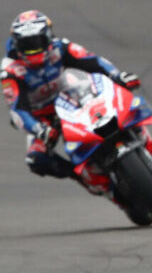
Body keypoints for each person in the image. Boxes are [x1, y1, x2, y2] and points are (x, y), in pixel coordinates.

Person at [1, 10, 141, 180]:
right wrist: (39, 130)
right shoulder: (9, 70)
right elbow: (17, 110)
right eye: (27, 45)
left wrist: (118, 76)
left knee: (117, 101)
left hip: (71, 97)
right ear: (17, 44)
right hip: (44, 118)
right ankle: (83, 176)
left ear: (48, 37)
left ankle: (137, 133)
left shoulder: (61, 47)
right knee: (36, 160)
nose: (33, 49)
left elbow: (94, 61)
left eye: (37, 43)